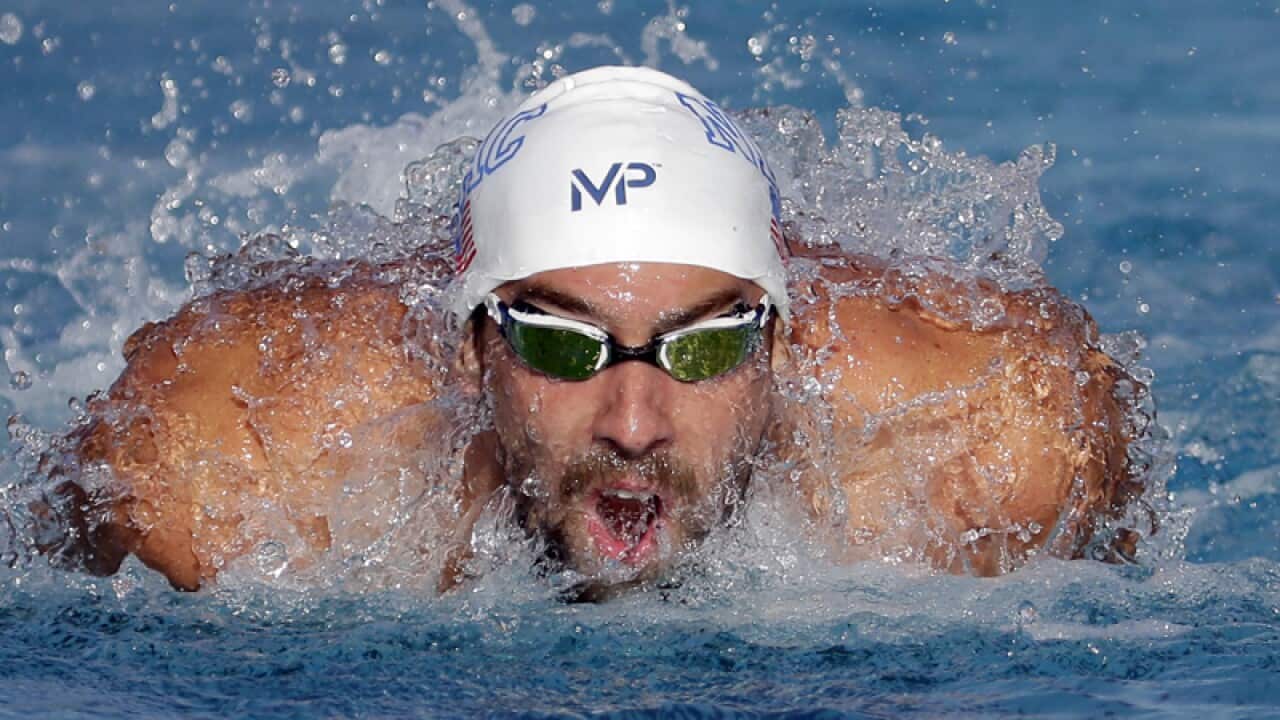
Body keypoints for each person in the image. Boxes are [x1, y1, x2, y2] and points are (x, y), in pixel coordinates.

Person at [32, 66, 1144, 594]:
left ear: (783, 349)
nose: (631, 422)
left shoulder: (991, 453)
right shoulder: (215, 483)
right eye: (561, 348)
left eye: (702, 347)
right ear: (469, 350)